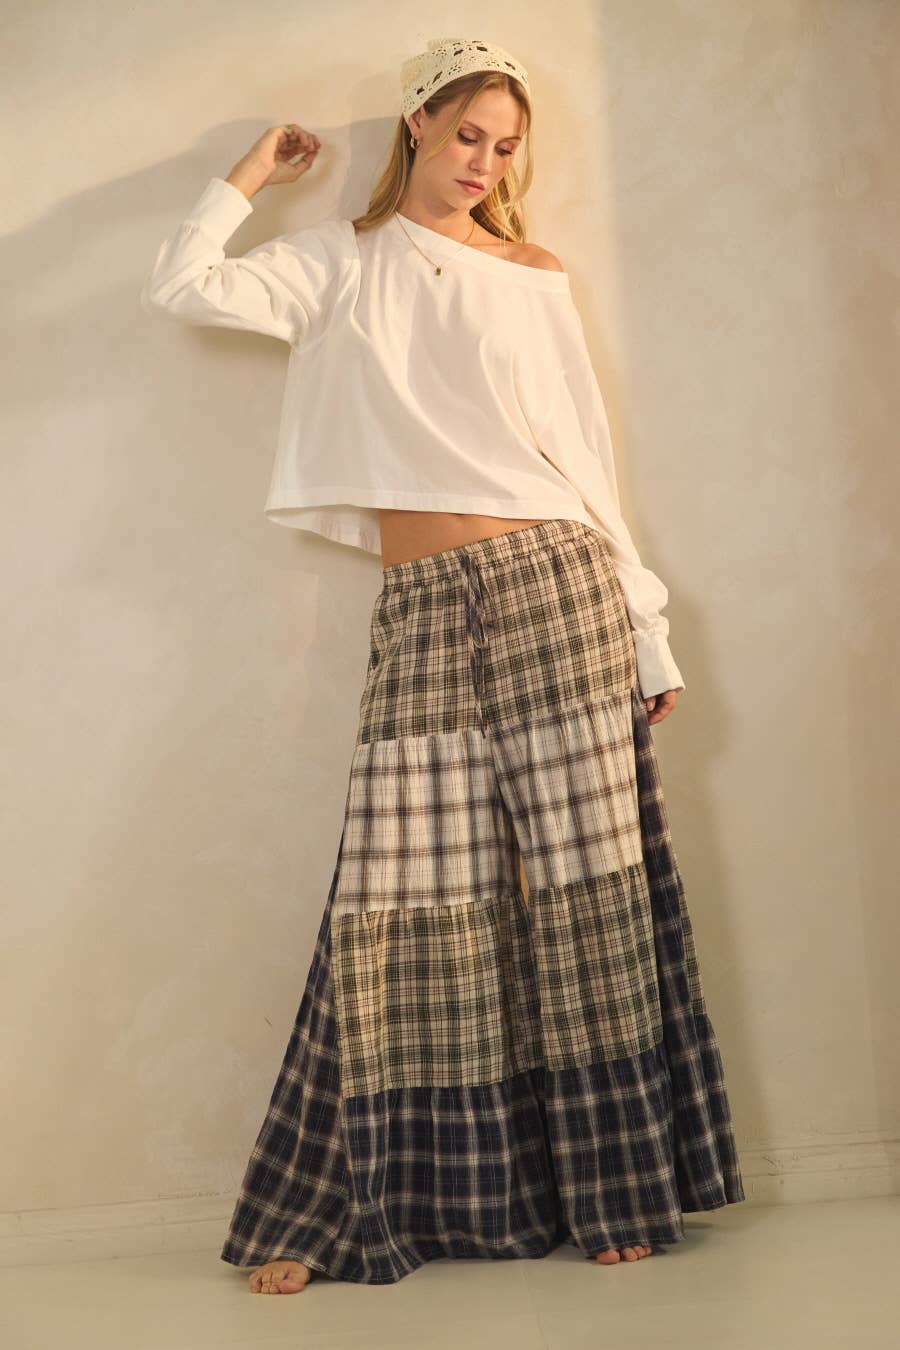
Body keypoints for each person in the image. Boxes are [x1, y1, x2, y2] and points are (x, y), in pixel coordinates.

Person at [141, 36, 745, 1295]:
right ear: (418, 122)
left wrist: (646, 628)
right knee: (401, 900)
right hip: (420, 606)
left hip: (557, 586)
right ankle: (337, 1210)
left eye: (507, 146)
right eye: (468, 133)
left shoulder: (531, 277)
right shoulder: (336, 262)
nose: (485, 162)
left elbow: (584, 461)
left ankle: (621, 1191)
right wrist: (250, 173)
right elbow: (183, 285)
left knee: (588, 890)